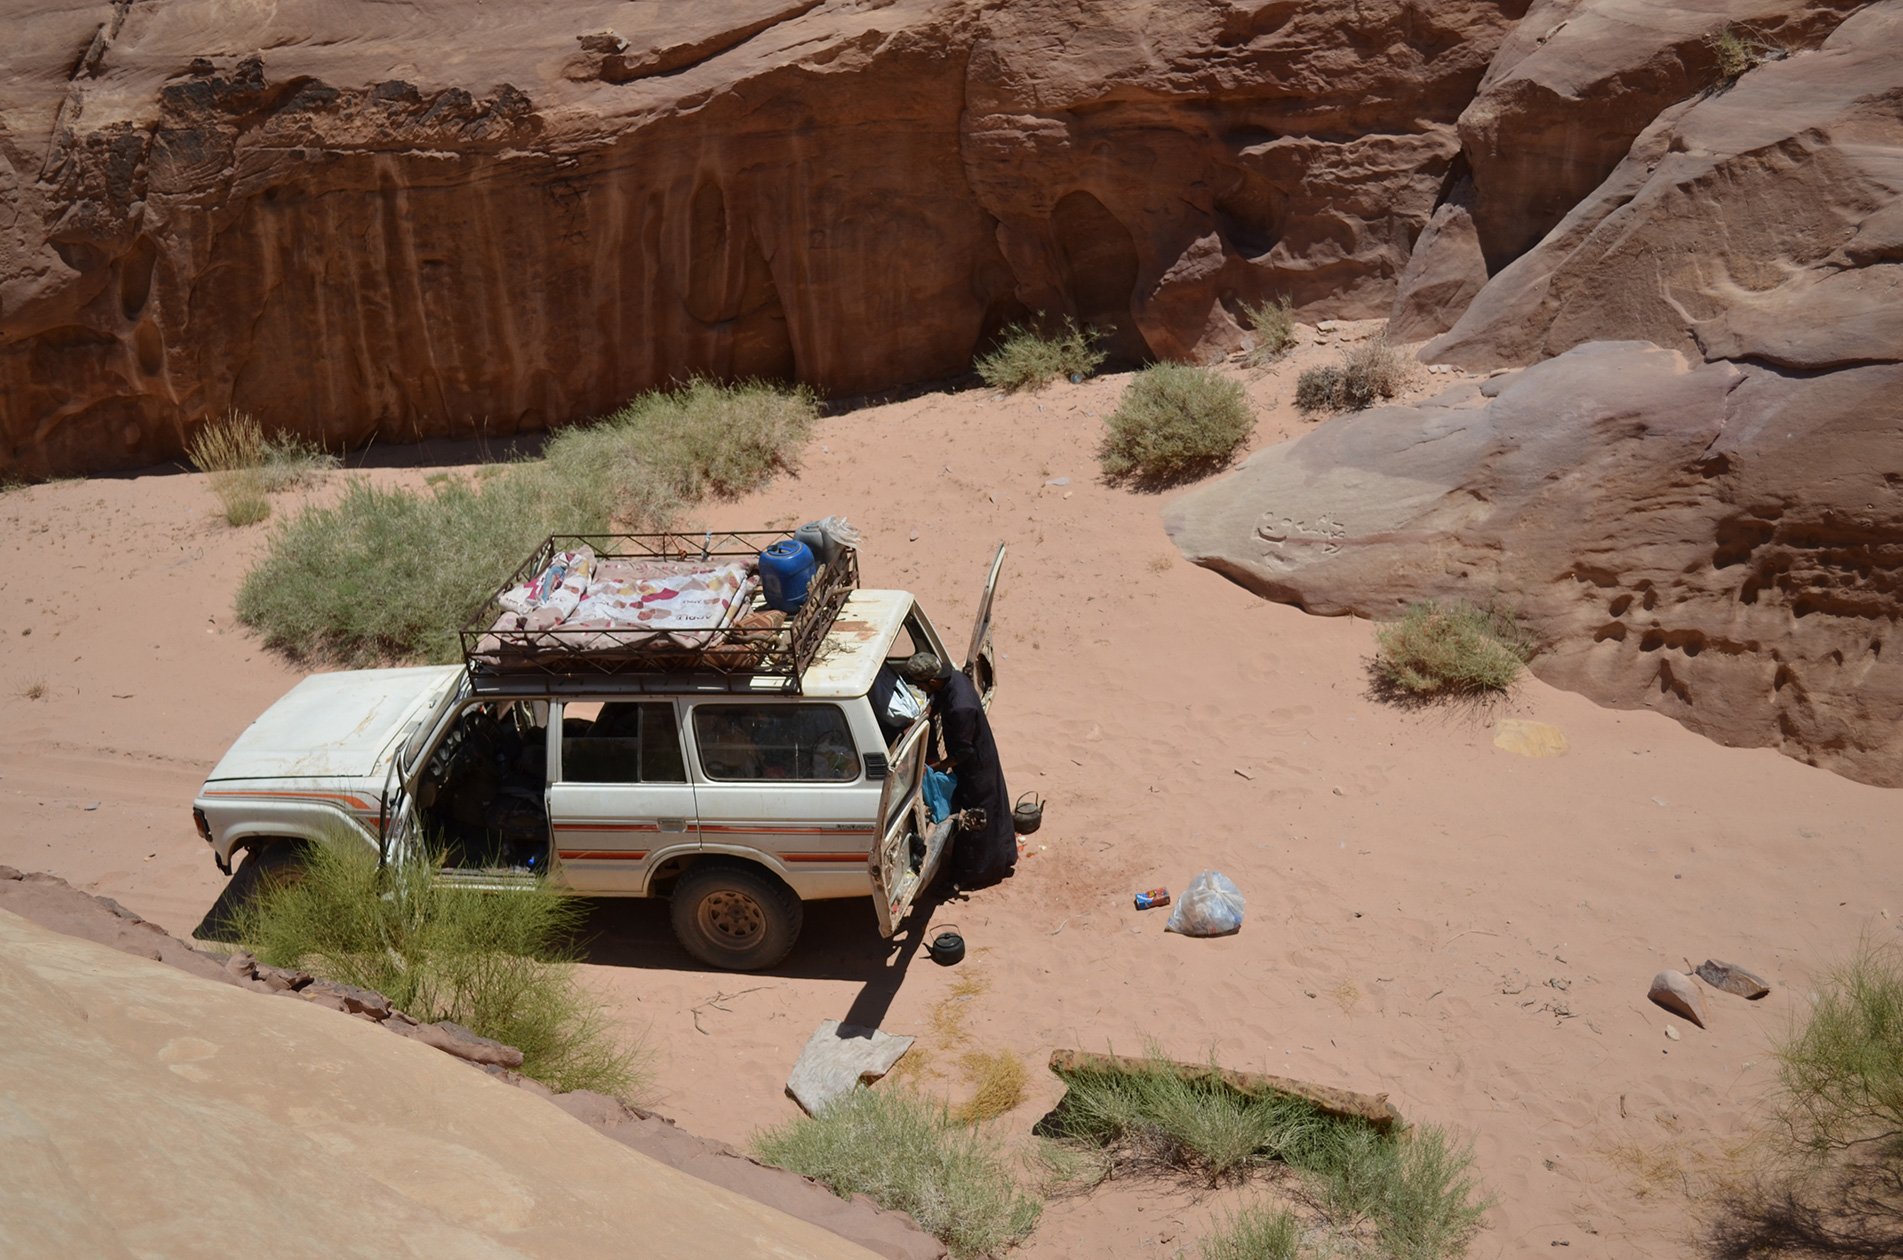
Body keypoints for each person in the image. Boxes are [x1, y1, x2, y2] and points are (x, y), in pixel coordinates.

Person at [900, 651, 1015, 888]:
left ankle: (976, 874)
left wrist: (937, 767)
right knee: (991, 808)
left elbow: (963, 753)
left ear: (931, 681)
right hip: (975, 757)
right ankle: (998, 857)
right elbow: (936, 699)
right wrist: (923, 719)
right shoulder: (952, 678)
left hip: (975, 767)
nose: (922, 689)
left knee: (978, 816)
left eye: (921, 685)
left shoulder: (960, 707)